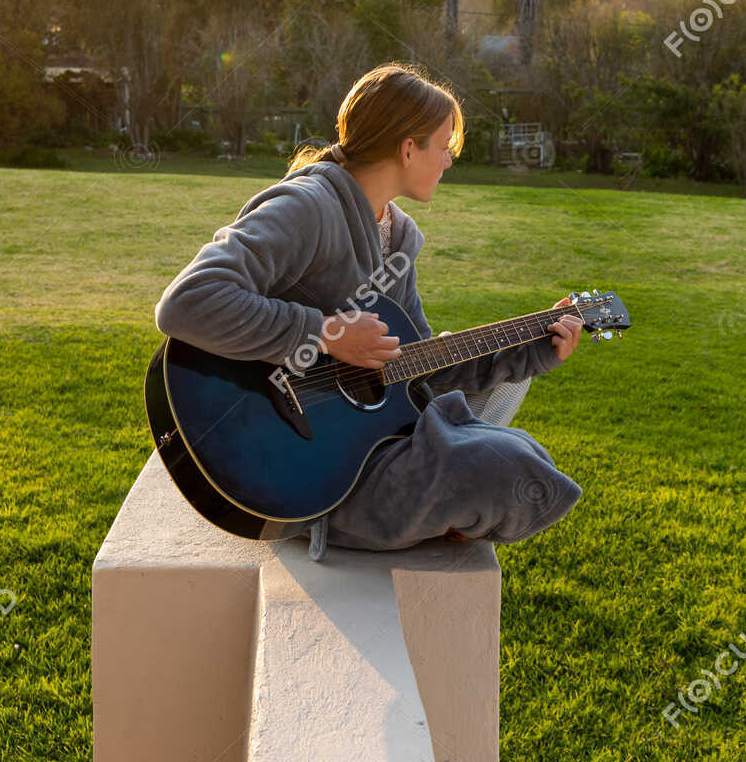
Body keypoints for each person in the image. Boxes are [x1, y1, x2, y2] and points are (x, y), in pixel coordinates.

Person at [154, 61, 586, 552]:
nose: (448, 161)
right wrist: (327, 334)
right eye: (444, 147)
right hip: (299, 464)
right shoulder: (307, 206)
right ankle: (344, 518)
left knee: (525, 456)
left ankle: (420, 507)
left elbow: (418, 368)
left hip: (363, 448)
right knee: (501, 471)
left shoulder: (398, 238)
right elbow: (187, 302)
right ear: (408, 149)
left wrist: (535, 346)